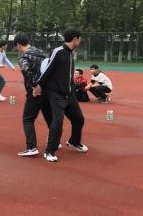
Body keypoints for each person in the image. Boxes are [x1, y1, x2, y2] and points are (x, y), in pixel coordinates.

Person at [35, 27, 88, 162]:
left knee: (79, 119)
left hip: (69, 94)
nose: (80, 41)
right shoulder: (58, 52)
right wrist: (39, 86)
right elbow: (47, 70)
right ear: (75, 39)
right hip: (56, 94)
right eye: (79, 39)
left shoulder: (70, 53)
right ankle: (49, 151)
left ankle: (74, 141)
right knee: (57, 122)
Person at [14, 34, 52, 157]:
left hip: (36, 92)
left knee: (28, 119)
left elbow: (26, 71)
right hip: (48, 89)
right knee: (49, 117)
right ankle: (54, 141)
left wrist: (35, 86)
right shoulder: (41, 52)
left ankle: (32, 147)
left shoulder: (24, 57)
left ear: (18, 45)